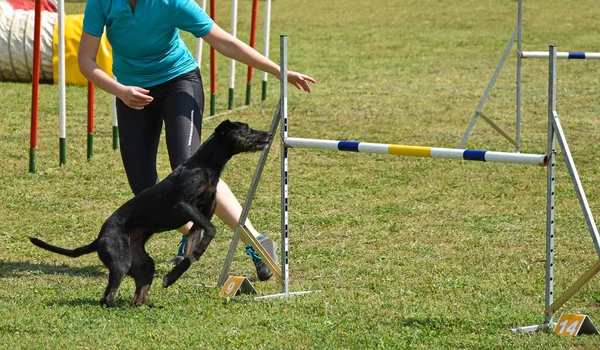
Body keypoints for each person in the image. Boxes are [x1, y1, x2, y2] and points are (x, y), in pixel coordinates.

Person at [77, 0, 316, 281]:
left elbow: (223, 41)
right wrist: (120, 90)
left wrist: (278, 70)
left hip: (178, 81)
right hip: (130, 91)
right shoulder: (101, 3)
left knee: (191, 167)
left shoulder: (173, 2)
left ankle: (256, 241)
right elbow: (86, 60)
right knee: (144, 187)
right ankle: (192, 229)